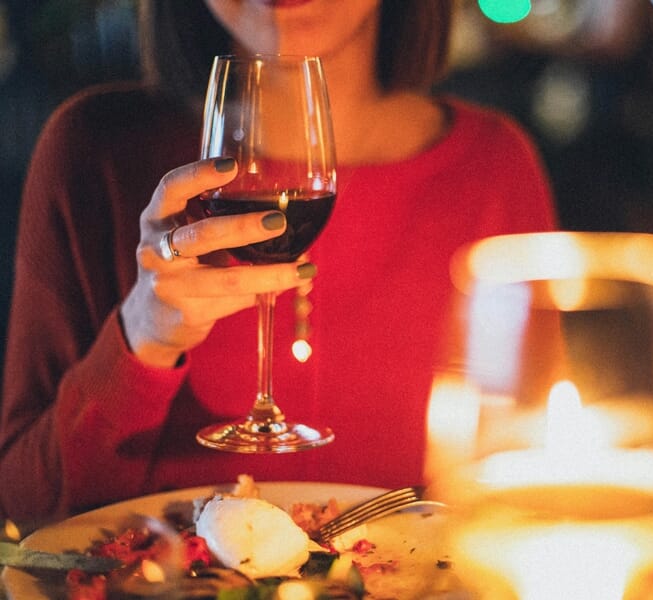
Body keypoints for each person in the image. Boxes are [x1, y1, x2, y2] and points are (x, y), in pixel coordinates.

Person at [0, 0, 557, 524]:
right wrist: (141, 338)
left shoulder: (493, 171)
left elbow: (531, 496)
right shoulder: (92, 149)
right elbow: (27, 508)